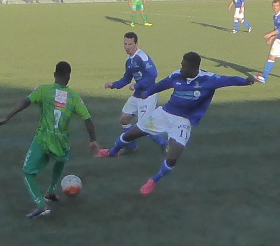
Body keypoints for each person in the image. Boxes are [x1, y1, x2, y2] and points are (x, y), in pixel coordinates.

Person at [98, 52, 255, 195]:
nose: (181, 68)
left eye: (184, 66)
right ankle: (112, 152)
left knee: (172, 157)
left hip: (183, 121)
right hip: (164, 113)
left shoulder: (208, 79)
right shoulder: (177, 75)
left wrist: (245, 81)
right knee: (131, 134)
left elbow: (229, 80)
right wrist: (147, 92)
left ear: (193, 68)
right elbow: (162, 85)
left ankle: (153, 180)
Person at [0, 61, 100, 218]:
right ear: (69, 76)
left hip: (44, 139)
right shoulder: (74, 97)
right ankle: (51, 191)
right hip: (61, 142)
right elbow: (87, 119)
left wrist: (7, 117)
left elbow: (25, 101)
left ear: (54, 74)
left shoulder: (44, 90)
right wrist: (93, 140)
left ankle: (41, 205)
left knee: (28, 172)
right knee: (61, 159)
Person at [104, 32, 167, 152]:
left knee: (144, 127)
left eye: (130, 44)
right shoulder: (129, 60)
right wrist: (113, 85)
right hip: (137, 95)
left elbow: (153, 75)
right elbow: (127, 78)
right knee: (124, 119)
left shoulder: (142, 57)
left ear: (136, 44)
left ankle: (166, 145)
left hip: (148, 95)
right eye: (125, 44)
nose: (127, 47)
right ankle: (131, 146)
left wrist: (137, 84)